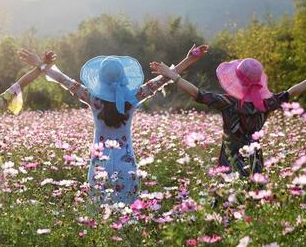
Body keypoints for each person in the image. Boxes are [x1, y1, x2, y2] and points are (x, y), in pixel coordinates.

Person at [17, 45, 208, 204]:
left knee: (98, 217)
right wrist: (189, 59)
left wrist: (40, 64)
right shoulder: (133, 97)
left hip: (100, 164)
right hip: (126, 163)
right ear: (124, 77)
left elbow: (64, 80)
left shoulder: (92, 98)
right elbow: (163, 79)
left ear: (99, 79)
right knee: (127, 214)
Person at [150, 58, 306, 176]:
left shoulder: (228, 103)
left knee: (227, 213)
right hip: (255, 165)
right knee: (252, 211)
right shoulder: (267, 104)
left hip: (229, 164)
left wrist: (173, 76)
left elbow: (197, 94)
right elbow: (290, 93)